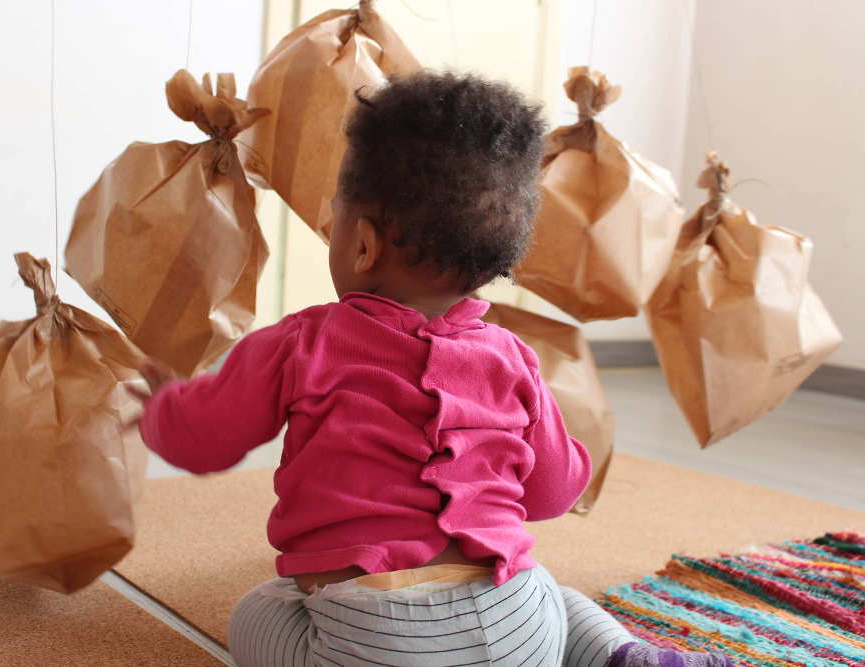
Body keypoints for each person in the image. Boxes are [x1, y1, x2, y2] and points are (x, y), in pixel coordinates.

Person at [129, 72, 732, 667]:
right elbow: (551, 493)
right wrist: (566, 447)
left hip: (374, 642)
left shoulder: (302, 340)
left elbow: (202, 440)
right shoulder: (514, 356)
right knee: (560, 597)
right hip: (519, 627)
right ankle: (622, 655)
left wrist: (164, 410)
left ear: (362, 246)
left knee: (260, 612)